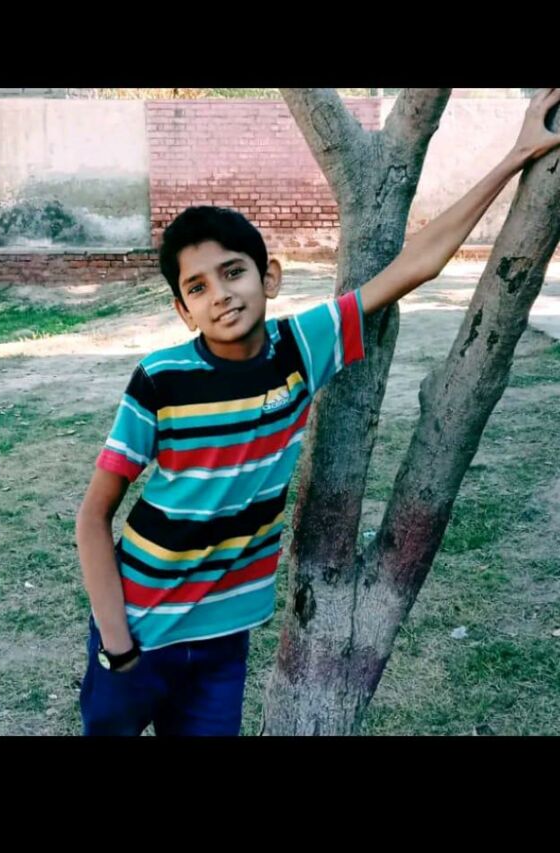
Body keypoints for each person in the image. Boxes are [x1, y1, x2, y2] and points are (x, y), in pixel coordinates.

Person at [76, 88, 560, 736]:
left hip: (223, 646)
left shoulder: (300, 348)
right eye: (198, 287)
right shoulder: (160, 380)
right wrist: (117, 645)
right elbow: (94, 516)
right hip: (137, 631)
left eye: (233, 272)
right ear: (183, 310)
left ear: (269, 277)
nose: (221, 294)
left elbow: (418, 263)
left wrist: (515, 156)